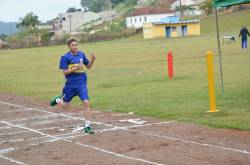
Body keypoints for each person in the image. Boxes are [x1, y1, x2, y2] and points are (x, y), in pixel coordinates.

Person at [50, 37, 96, 134]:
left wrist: (92, 60)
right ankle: (57, 100)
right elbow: (65, 73)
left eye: (76, 45)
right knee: (64, 106)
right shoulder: (65, 57)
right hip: (70, 85)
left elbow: (88, 66)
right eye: (73, 45)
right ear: (69, 46)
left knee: (86, 102)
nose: (75, 47)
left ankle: (87, 126)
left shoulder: (81, 54)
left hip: (81, 84)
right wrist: (75, 68)